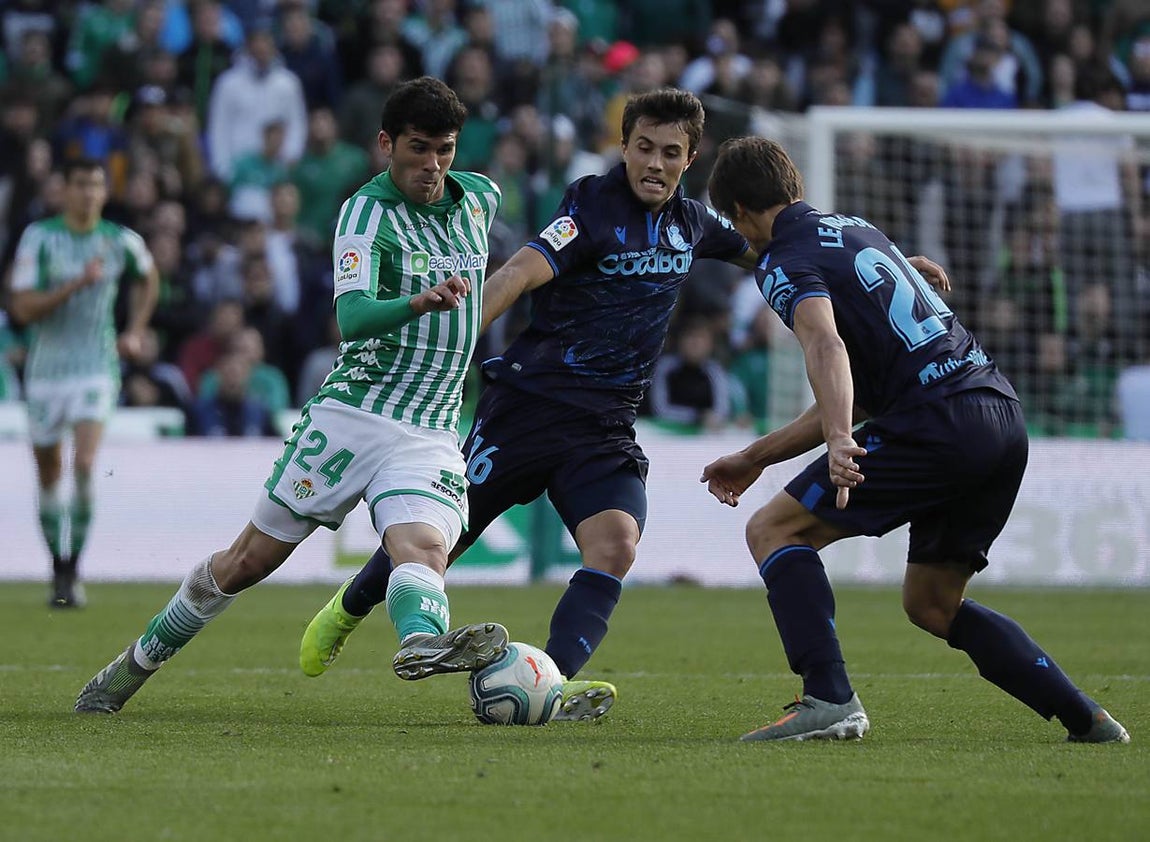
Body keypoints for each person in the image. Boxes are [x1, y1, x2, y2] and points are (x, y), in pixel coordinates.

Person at [297, 88, 950, 722]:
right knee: (440, 542)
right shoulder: (590, 210)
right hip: (527, 410)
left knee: (616, 544)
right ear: (625, 147)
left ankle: (545, 681)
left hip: (604, 429)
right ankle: (345, 612)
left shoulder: (694, 224)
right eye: (643, 148)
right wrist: (456, 342)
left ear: (689, 160)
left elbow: (782, 245)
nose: (655, 164)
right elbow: (520, 273)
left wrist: (886, 266)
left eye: (670, 152)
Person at [74, 77, 507, 714]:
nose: (433, 165)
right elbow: (353, 316)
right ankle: (135, 663)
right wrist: (417, 301)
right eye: (418, 149)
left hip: (431, 423)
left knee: (423, 548)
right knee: (246, 562)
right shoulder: (366, 213)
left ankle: (421, 641)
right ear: (386, 143)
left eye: (444, 149)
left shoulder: (480, 201)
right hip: (354, 414)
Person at [699, 135, 1129, 744]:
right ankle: (1086, 718)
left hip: (938, 423)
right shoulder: (858, 229)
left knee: (773, 529)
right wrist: (754, 456)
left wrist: (844, 436)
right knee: (932, 602)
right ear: (792, 186)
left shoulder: (783, 261)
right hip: (999, 416)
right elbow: (866, 388)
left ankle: (828, 698)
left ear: (739, 213)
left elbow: (826, 345)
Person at [8, 157, 159, 608]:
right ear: (65, 190)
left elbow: (149, 278)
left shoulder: (119, 241)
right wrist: (74, 285)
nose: (89, 193)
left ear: (104, 191)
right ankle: (57, 564)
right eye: (80, 185)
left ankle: (74, 568)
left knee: (87, 462)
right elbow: (22, 309)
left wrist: (134, 329)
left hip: (96, 365)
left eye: (96, 185)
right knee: (50, 470)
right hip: (46, 371)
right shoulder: (40, 238)